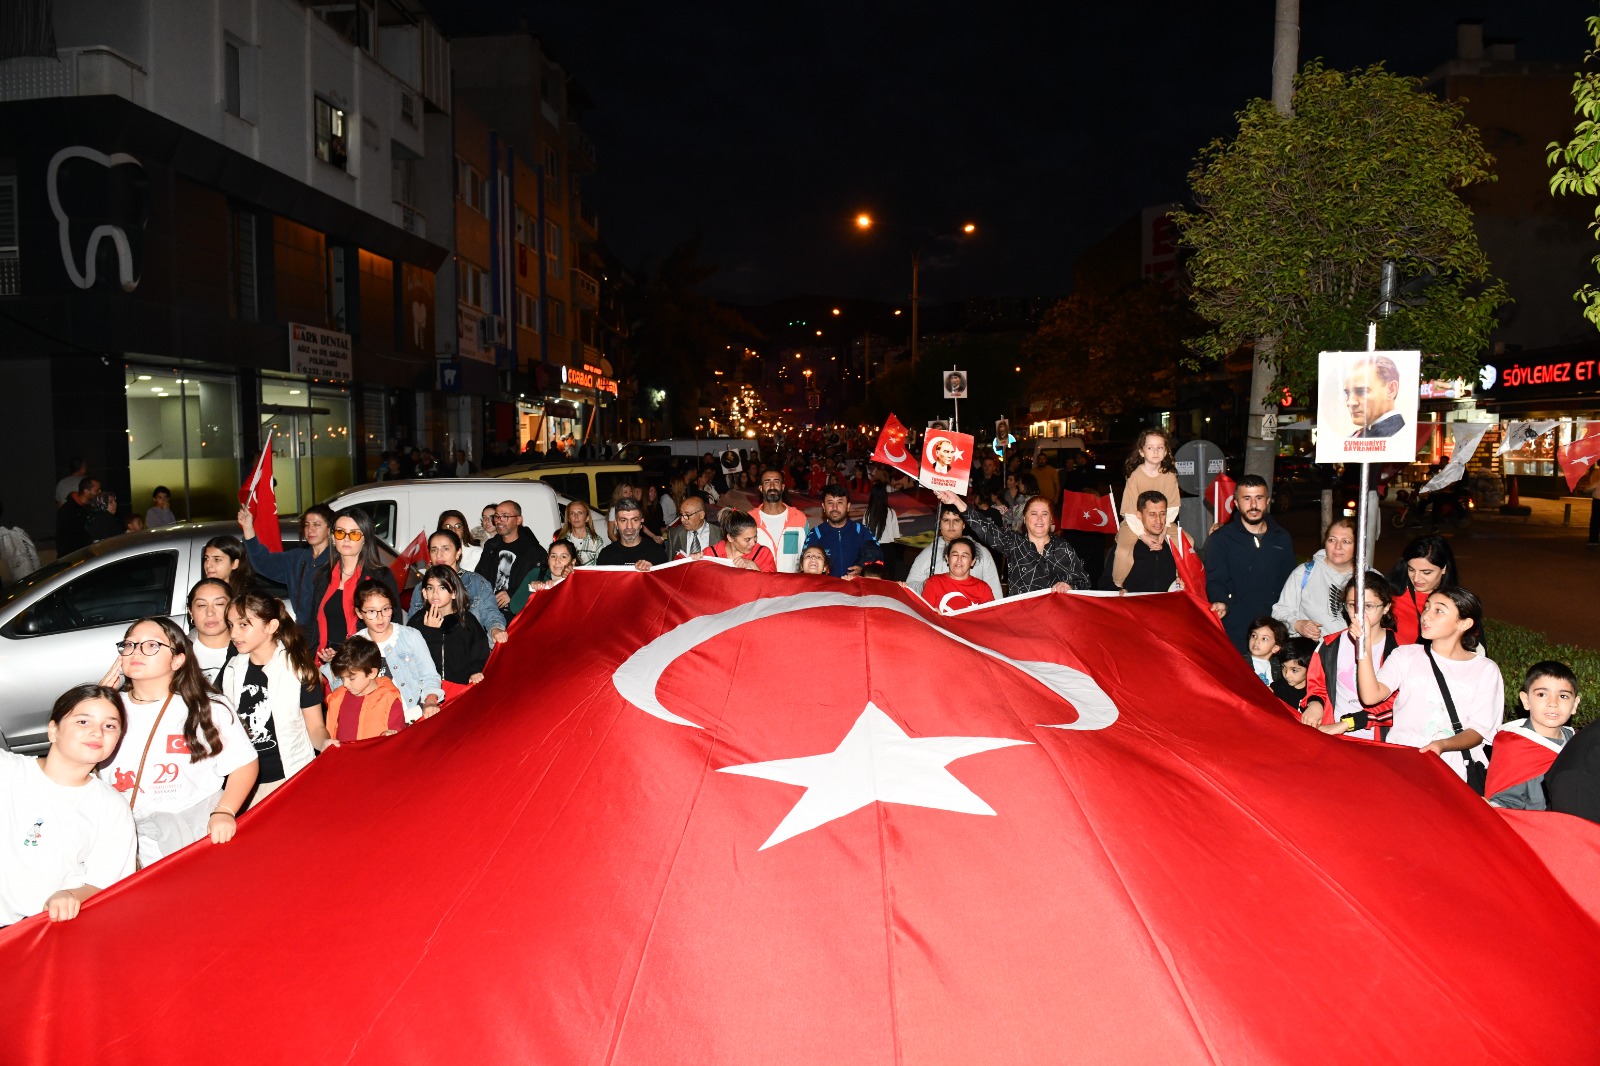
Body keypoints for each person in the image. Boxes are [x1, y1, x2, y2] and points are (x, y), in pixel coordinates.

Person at [100, 617, 259, 867]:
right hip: (124, 836)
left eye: (151, 645)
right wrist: (93, 707)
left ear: (178, 659)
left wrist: (225, 811)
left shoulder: (207, 707)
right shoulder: (106, 709)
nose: (136, 652)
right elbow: (71, 766)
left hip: (193, 832)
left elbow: (243, 764)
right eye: (129, 645)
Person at [1, 684, 136, 926]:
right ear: (53, 730)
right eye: (83, 722)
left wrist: (71, 895)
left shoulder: (111, 806)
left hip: (42, 931)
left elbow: (105, 883)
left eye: (109, 725)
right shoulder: (8, 770)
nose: (97, 733)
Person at [1350, 587, 1502, 785]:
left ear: (1464, 623)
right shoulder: (1405, 656)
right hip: (1401, 763)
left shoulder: (1485, 669)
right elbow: (1371, 697)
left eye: (1439, 610)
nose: (1426, 616)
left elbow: (1479, 731)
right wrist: (1364, 645)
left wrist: (1443, 745)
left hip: (1452, 769)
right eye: (1427, 607)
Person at [218, 592, 330, 805]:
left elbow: (315, 728)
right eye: (231, 625)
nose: (233, 633)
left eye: (243, 625)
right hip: (243, 782)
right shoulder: (232, 669)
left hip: (289, 777)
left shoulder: (297, 669)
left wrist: (325, 743)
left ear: (271, 626)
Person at [1206, 475, 1298, 654]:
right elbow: (1215, 579)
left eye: (1259, 498)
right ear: (1236, 503)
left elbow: (1289, 583)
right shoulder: (1221, 539)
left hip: (1273, 631)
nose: (1253, 505)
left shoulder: (1282, 538)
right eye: (1247, 498)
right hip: (1235, 630)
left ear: (1268, 501)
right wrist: (1221, 601)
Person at [1300, 575, 1401, 738]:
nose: (1359, 613)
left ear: (1386, 607)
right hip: (1334, 735)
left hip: (1377, 740)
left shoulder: (1398, 650)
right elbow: (1318, 685)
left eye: (1369, 606)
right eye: (1353, 605)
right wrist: (1315, 704)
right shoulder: (1330, 645)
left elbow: (1397, 703)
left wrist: (1349, 723)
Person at [946, 490, 1088, 595]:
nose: (1039, 519)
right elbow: (986, 529)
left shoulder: (1063, 547)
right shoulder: (1015, 543)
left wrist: (1069, 586)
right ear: (1025, 519)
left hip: (1056, 621)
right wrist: (958, 502)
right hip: (1022, 620)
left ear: (1051, 519)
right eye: (1033, 514)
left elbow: (1084, 581)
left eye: (1044, 514)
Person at [1486, 661, 1581, 810]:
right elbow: (1505, 804)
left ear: (1575, 704)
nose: (1553, 703)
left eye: (1563, 696)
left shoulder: (1578, 744)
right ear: (1525, 700)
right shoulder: (1514, 747)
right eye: (1542, 694)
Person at [309, 508, 399, 666]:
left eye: (354, 534)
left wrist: (346, 654)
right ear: (333, 538)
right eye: (340, 533)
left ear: (365, 539)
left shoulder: (380, 577)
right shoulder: (323, 576)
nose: (346, 539)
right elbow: (313, 625)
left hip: (365, 663)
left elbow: (393, 627)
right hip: (325, 662)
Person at [352, 582, 442, 722]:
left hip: (412, 715)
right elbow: (347, 687)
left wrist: (430, 699)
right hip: (375, 721)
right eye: (371, 612)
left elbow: (430, 676)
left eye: (385, 609)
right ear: (359, 613)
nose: (380, 617)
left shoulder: (410, 636)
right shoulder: (354, 645)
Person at [240, 503, 336, 628]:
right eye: (307, 525)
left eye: (317, 525)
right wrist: (248, 528)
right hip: (305, 631)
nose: (310, 530)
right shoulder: (296, 558)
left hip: (331, 632)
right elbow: (263, 563)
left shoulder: (338, 559)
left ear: (329, 529)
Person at [406, 530, 506, 646]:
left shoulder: (476, 583)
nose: (439, 555)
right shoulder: (421, 588)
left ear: (458, 552)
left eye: (445, 549)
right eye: (434, 550)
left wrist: (496, 629)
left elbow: (491, 614)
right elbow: (412, 628)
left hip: (468, 652)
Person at [1111, 429, 1181, 589]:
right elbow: (1129, 512)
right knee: (1123, 550)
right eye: (1150, 448)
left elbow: (1173, 508)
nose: (1155, 451)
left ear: (1165, 451)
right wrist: (1143, 536)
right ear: (1142, 452)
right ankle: (1118, 585)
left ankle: (1181, 579)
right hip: (1135, 522)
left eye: (1160, 447)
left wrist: (1162, 532)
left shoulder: (1169, 476)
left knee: (1186, 542)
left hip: (1163, 522)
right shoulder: (1134, 477)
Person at [1271, 518, 1357, 643]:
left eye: (1346, 541)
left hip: (1353, 657)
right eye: (1332, 540)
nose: (1338, 547)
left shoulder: (1369, 578)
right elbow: (1279, 612)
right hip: (1312, 656)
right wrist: (1298, 625)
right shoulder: (1304, 573)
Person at [412, 566, 490, 698]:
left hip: (461, 691)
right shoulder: (417, 622)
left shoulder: (467, 621)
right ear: (424, 593)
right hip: (428, 694)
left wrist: (475, 671)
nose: (435, 593)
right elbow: (413, 660)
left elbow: (480, 653)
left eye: (442, 588)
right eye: (430, 588)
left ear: (454, 592)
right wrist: (430, 631)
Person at [905, 505, 1003, 601]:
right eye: (946, 520)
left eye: (956, 520)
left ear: (964, 524)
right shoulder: (927, 555)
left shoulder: (981, 553)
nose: (951, 525)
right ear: (939, 524)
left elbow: (995, 594)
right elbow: (909, 588)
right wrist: (924, 585)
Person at [325, 637, 408, 743]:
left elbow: (399, 733)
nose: (345, 684)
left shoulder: (388, 698)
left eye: (351, 678)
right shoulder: (337, 698)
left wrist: (392, 734)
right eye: (342, 678)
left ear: (372, 673)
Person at [473, 499, 548, 614]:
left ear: (518, 520)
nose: (499, 521)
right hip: (489, 609)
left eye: (505, 516)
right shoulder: (491, 545)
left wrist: (512, 594)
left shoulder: (533, 550)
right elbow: (480, 574)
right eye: (497, 516)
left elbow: (542, 580)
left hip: (518, 612)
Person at [1386, 535, 1460, 646]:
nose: (1416, 578)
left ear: (1444, 568)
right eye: (1411, 569)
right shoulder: (1390, 594)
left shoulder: (1456, 602)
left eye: (1426, 572)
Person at [804, 484, 885, 579]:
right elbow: (805, 565)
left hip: (854, 590)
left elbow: (877, 559)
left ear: (848, 506)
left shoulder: (861, 531)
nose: (834, 507)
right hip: (826, 590)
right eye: (830, 503)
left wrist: (862, 568)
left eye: (840, 502)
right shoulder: (816, 534)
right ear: (823, 506)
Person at [1111, 491, 1181, 593]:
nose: (1158, 520)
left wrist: (1184, 585)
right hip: (1134, 607)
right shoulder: (1126, 545)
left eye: (1163, 514)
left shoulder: (1175, 545)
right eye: (1152, 514)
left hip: (1167, 607)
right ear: (1139, 515)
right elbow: (1106, 584)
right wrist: (1119, 591)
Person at [751, 467, 809, 573]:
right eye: (767, 482)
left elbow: (806, 554)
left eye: (776, 482)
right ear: (760, 488)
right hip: (760, 585)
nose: (772, 486)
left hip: (791, 585)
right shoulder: (750, 520)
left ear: (782, 487)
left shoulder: (799, 518)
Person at [920, 537, 996, 613]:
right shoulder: (934, 582)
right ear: (947, 558)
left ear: (973, 561)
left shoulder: (983, 588)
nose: (959, 560)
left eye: (964, 556)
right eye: (955, 555)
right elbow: (923, 614)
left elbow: (990, 620)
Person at [186, 578, 237, 684]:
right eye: (201, 605)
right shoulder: (177, 654)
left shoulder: (251, 650)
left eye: (219, 604)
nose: (210, 612)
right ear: (191, 612)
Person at [510, 538, 579, 613]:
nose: (557, 561)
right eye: (553, 556)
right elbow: (514, 608)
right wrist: (535, 592)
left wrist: (564, 581)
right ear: (548, 559)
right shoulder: (537, 574)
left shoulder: (579, 579)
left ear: (573, 561)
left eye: (563, 557)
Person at [1344, 355, 1405, 438]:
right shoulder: (1364, 433)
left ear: (1391, 390)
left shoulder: (1394, 435)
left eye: (1361, 391)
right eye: (1347, 393)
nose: (1350, 402)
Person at [598, 498, 668, 570]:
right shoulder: (606, 555)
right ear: (616, 523)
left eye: (634, 520)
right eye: (623, 520)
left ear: (641, 522)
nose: (629, 526)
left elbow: (664, 580)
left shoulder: (657, 552)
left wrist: (653, 571)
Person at [702, 511, 777, 571]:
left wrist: (754, 567)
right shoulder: (710, 554)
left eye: (755, 537)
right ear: (730, 538)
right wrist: (694, 559)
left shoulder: (762, 554)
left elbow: (771, 586)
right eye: (747, 540)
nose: (753, 543)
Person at [55, 477, 106, 557]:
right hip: (74, 557)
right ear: (86, 491)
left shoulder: (91, 508)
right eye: (97, 490)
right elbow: (65, 540)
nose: (100, 492)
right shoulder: (67, 510)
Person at [667, 493, 723, 558]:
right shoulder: (674, 534)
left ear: (701, 515)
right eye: (681, 514)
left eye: (687, 515)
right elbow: (670, 563)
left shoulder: (719, 534)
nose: (682, 519)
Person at [555, 499, 609, 566]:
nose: (576, 517)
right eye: (572, 513)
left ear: (587, 518)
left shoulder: (597, 542)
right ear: (568, 519)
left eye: (580, 513)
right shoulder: (562, 541)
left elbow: (604, 567)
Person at [1274, 637, 1315, 710]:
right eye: (1283, 667)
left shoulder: (1316, 691)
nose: (1286, 675)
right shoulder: (1280, 686)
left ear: (1310, 668)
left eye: (1294, 670)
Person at [1245, 617, 1288, 687]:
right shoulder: (1239, 661)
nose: (1256, 641)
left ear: (1275, 648)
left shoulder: (1280, 668)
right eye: (1254, 635)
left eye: (1264, 638)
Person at [437, 509, 482, 573]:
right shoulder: (437, 554)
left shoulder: (477, 554)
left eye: (458, 526)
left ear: (464, 529)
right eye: (448, 527)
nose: (453, 530)